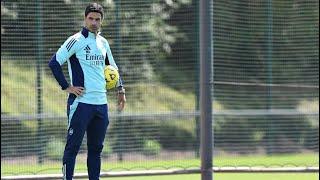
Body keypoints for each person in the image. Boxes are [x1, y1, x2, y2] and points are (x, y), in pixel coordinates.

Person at [48, 3, 126, 180]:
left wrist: (121, 89)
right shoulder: (76, 40)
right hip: (80, 104)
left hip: (101, 105)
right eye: (90, 18)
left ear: (101, 21)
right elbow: (54, 63)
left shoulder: (103, 43)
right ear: (85, 19)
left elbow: (112, 68)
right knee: (72, 148)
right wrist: (67, 87)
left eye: (97, 19)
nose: (94, 22)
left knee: (96, 150)